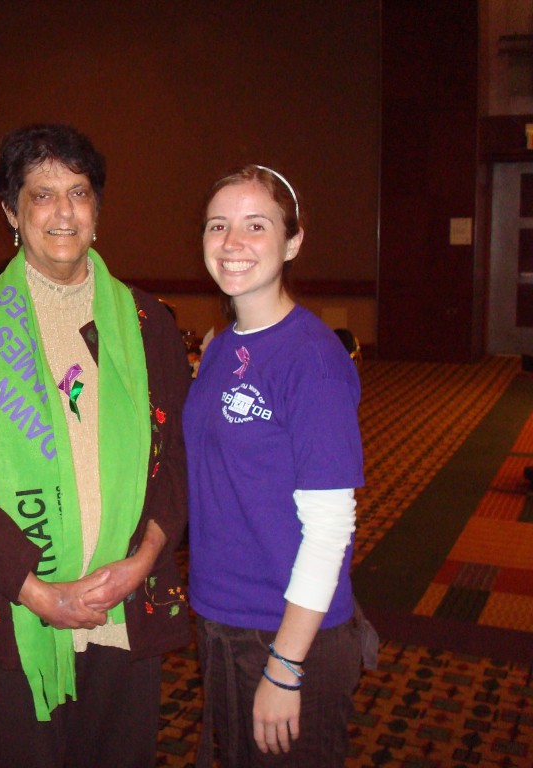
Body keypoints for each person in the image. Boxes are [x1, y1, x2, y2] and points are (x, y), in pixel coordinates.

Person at [0, 124, 192, 766]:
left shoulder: (149, 324)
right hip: (12, 606)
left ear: (97, 212)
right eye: (42, 195)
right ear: (11, 214)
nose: (64, 212)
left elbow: (177, 464)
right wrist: (39, 591)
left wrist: (141, 560)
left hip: (122, 603)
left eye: (79, 192)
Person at [183, 165, 371, 766]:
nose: (232, 242)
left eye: (255, 226)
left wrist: (287, 666)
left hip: (286, 629)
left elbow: (331, 529)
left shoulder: (311, 360)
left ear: (292, 243)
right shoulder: (221, 346)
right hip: (220, 617)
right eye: (219, 225)